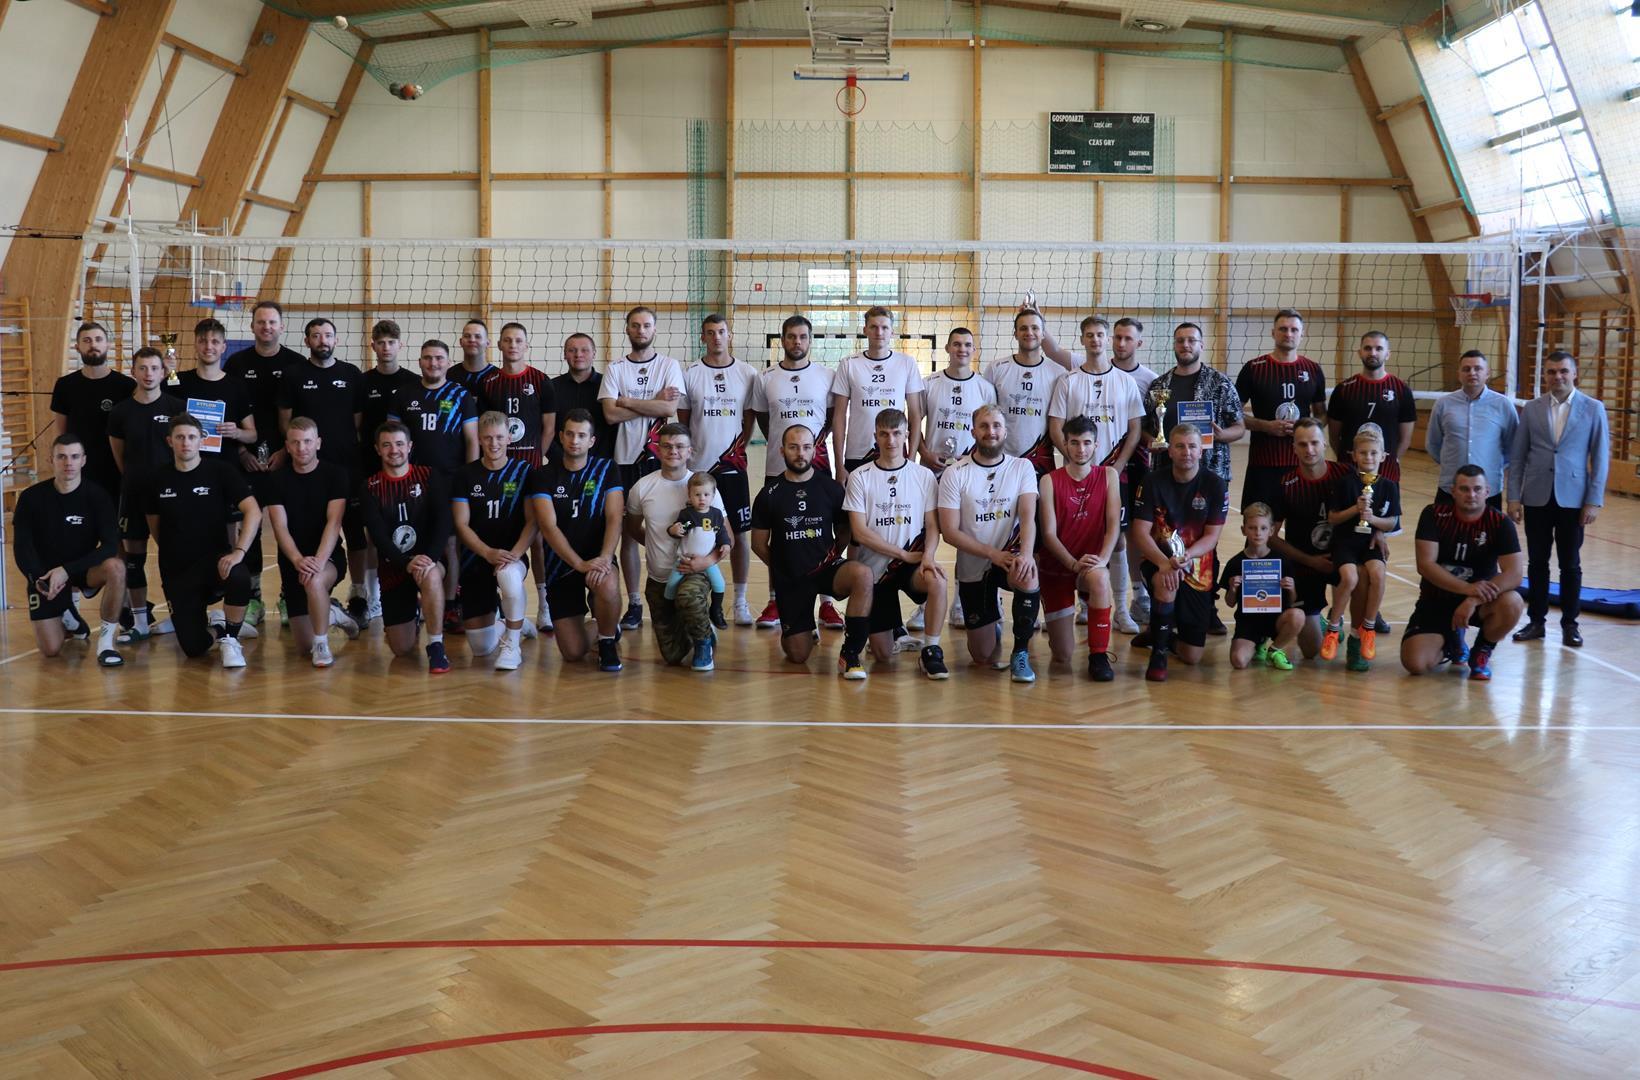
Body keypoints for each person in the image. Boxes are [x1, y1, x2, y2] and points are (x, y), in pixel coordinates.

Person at [1142, 323, 1242, 638]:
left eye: (1191, 340)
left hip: (1209, 475)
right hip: (1166, 476)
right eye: (1180, 340)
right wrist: (1152, 441)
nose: (1185, 345)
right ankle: (1162, 614)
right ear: (1174, 345)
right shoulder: (1160, 385)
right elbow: (1147, 427)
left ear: (1201, 344)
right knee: (1162, 541)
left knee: (1206, 541)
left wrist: (1220, 435)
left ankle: (1206, 608)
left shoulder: (1220, 383)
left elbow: (1239, 427)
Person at [750, 423, 875, 675]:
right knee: (798, 655)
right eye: (793, 447)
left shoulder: (831, 488)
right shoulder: (769, 494)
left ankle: (850, 652)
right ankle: (800, 626)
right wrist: (783, 567)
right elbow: (758, 544)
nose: (800, 453)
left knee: (863, 575)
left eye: (806, 447)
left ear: (814, 450)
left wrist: (833, 555)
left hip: (826, 569)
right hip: (792, 579)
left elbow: (844, 532)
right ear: (782, 450)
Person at [1508, 350, 1610, 648]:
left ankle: (1570, 625)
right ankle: (1536, 622)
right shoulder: (1532, 408)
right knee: (1537, 563)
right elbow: (1518, 457)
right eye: (1552, 371)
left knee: (1570, 564)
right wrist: (1513, 497)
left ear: (1574, 373)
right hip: (1536, 496)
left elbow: (1600, 458)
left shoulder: (1593, 408)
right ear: (1545, 375)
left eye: (1563, 371)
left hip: (1573, 500)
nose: (1558, 376)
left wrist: (1594, 500)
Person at [938, 404, 1043, 683]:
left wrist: (1026, 554)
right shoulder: (955, 473)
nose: (991, 432)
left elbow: (1028, 517)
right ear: (973, 432)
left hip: (1010, 558)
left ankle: (1020, 653)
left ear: (1005, 431)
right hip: (975, 564)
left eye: (996, 426)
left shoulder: (1022, 467)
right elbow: (949, 532)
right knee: (982, 656)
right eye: (984, 426)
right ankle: (992, 620)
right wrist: (992, 554)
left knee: (1028, 573)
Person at [145, 414, 259, 668]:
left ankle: (231, 638)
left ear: (202, 440)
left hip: (214, 563)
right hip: (177, 571)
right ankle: (220, 627)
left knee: (239, 574)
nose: (186, 442)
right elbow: (155, 526)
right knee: (194, 648)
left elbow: (253, 510)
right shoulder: (157, 478)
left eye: (191, 437)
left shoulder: (220, 471)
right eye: (180, 437)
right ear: (170, 441)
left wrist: (239, 551)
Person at [843, 408, 950, 678]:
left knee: (937, 580)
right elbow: (860, 532)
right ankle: (891, 631)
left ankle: (931, 651)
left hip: (913, 564)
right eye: (884, 434)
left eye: (896, 433)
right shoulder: (860, 476)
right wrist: (902, 554)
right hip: (876, 571)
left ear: (906, 435)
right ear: (875, 436)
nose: (890, 440)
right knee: (882, 655)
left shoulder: (923, 476)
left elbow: (933, 525)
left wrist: (928, 555)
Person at [749, 314, 840, 630]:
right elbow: (764, 418)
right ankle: (776, 599)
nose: (797, 342)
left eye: (802, 337)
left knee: (822, 530)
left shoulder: (826, 375)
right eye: (791, 336)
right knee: (780, 533)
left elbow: (832, 417)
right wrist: (785, 445)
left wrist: (809, 447)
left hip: (817, 467)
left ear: (810, 340)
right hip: (779, 467)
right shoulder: (766, 377)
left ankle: (826, 602)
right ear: (782, 340)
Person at [600, 305, 687, 631]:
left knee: (670, 530)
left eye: (646, 325)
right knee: (628, 535)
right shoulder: (615, 368)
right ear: (627, 329)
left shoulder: (669, 365)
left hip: (659, 460)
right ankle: (635, 603)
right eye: (635, 325)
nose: (641, 330)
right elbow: (610, 415)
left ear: (654, 329)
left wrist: (627, 400)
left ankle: (673, 596)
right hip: (623, 462)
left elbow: (669, 407)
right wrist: (652, 402)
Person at [1402, 465, 1525, 680]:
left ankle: (1482, 651)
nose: (1471, 495)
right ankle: (1452, 641)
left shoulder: (1500, 523)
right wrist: (1467, 588)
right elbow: (1426, 565)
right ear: (1453, 491)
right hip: (1436, 600)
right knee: (1416, 664)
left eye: (1477, 489)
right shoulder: (1433, 514)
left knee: (1513, 601)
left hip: (1480, 602)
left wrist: (1472, 599)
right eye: (1464, 489)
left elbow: (1514, 574)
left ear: (1487, 491)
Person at [13, 434, 126, 666]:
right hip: (46, 576)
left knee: (116, 567)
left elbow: (110, 546)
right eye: (62, 457)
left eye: (74, 457)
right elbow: (22, 547)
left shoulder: (98, 496)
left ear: (83, 460)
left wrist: (66, 570)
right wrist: (38, 579)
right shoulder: (31, 498)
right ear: (51, 460)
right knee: (51, 649)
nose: (68, 463)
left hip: (83, 569)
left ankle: (106, 644)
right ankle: (69, 614)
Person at [1129, 424, 1229, 682]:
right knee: (1167, 581)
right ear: (1170, 451)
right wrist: (1164, 563)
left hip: (1197, 565)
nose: (1187, 452)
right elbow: (1140, 533)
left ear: (1201, 450)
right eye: (1180, 446)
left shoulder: (1215, 484)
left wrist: (1187, 557)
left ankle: (1159, 634)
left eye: (1192, 446)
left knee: (1192, 655)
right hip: (1158, 560)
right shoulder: (1152, 481)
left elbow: (1212, 537)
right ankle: (1159, 654)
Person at [529, 409, 625, 672]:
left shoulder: (606, 469)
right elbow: (548, 527)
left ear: (591, 441)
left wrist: (605, 558)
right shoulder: (543, 475)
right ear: (560, 437)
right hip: (561, 565)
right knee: (573, 653)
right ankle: (602, 624)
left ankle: (607, 641)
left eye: (582, 435)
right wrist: (580, 564)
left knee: (607, 583)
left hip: (597, 557)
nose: (575, 440)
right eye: (570, 434)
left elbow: (614, 518)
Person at [677, 314, 758, 627]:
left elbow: (749, 418)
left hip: (733, 468)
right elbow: (684, 421)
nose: (716, 337)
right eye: (710, 333)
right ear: (703, 337)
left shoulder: (747, 373)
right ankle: (699, 600)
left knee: (740, 534)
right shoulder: (691, 373)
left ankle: (740, 601)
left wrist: (737, 450)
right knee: (697, 534)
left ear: (729, 335)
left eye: (721, 332)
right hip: (700, 470)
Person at [225, 300, 304, 621]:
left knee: (291, 526)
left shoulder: (296, 363)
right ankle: (254, 596)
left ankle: (289, 595)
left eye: (272, 322)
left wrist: (288, 451)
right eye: (261, 322)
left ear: (281, 326)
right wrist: (241, 452)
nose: (266, 327)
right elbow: (229, 411)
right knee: (251, 526)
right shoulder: (236, 363)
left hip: (287, 458)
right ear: (252, 326)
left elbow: (301, 416)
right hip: (246, 459)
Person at [627, 424, 726, 671]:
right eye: (667, 446)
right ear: (657, 449)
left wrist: (706, 561)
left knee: (688, 597)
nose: (673, 451)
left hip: (696, 572)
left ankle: (703, 642)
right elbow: (633, 528)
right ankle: (696, 625)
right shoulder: (642, 487)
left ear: (690, 451)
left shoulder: (704, 488)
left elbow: (728, 539)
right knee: (673, 655)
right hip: (659, 577)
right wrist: (655, 545)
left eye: (680, 446)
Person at [481, 322, 558, 633]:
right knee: (497, 533)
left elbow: (549, 427)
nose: (513, 345)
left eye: (518, 340)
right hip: (498, 472)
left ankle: (544, 604)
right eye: (507, 340)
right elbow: (486, 426)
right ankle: (503, 605)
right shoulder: (489, 382)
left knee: (538, 539)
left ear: (526, 345)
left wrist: (537, 460)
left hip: (531, 471)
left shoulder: (540, 381)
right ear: (499, 345)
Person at [262, 417, 357, 668]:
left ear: (318, 443)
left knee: (315, 582)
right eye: (295, 442)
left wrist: (318, 562)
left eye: (307, 441)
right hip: (293, 562)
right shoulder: (276, 480)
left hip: (327, 558)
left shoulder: (335, 475)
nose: (301, 448)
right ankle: (333, 613)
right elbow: (279, 527)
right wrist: (297, 560)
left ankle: (322, 644)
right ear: (287, 446)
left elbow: (334, 523)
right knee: (304, 646)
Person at [360, 421, 452, 672]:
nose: (394, 450)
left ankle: (435, 645)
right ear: (377, 449)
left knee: (430, 575)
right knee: (401, 649)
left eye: (399, 444)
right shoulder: (370, 487)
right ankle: (418, 610)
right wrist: (405, 562)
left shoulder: (429, 476)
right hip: (395, 566)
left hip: (428, 560)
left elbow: (444, 522)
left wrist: (430, 558)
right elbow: (378, 536)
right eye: (387, 445)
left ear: (410, 446)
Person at [1036, 416, 1121, 680]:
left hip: (1091, 564)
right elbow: (1048, 534)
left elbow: (1113, 525)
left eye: (1086, 443)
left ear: (1096, 445)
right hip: (1057, 567)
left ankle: (1098, 655)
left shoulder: (1109, 475)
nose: (1080, 449)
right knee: (1062, 654)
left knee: (1100, 578)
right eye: (1074, 443)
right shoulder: (1049, 480)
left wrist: (1102, 560)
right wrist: (1073, 563)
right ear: (1065, 444)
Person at [452, 412, 539, 671]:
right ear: (479, 439)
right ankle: (516, 622)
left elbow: (532, 522)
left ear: (509, 438)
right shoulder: (465, 475)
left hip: (512, 555)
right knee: (481, 649)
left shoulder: (523, 472)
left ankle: (513, 643)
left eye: (499, 437)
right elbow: (461, 524)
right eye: (488, 438)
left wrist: (514, 554)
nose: (494, 443)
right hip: (476, 559)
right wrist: (488, 552)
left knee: (508, 576)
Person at [106, 347, 182, 642]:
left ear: (164, 372)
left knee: (174, 555)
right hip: (135, 495)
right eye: (143, 368)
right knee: (134, 559)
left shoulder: (176, 407)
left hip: (170, 495)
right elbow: (119, 457)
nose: (149, 374)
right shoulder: (120, 412)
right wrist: (136, 480)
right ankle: (139, 622)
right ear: (133, 372)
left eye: (154, 368)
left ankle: (180, 614)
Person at [354, 319, 420, 625]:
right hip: (371, 467)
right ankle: (373, 596)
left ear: (400, 345)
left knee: (410, 529)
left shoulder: (412, 382)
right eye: (380, 343)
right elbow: (357, 425)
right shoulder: (363, 382)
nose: (386, 348)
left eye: (391, 342)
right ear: (373, 346)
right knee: (373, 534)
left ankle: (415, 593)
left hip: (405, 470)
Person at [1269, 417, 1351, 660]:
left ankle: (1355, 634)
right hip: (1304, 565)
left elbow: (1366, 515)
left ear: (1324, 443)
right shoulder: (1285, 484)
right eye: (1302, 444)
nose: (1309, 449)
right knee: (1311, 651)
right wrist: (1310, 561)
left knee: (1364, 573)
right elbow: (1271, 537)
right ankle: (1320, 622)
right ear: (1293, 447)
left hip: (1341, 559)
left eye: (1314, 442)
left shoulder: (1346, 475)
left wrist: (1378, 534)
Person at [1319, 425, 1400, 670]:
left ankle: (1368, 627)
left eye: (1374, 453)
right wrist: (1356, 509)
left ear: (1383, 456)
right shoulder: (1345, 483)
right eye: (1363, 453)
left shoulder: (1389, 486)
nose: (1369, 457)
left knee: (1378, 574)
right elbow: (1333, 518)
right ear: (1353, 455)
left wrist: (1372, 519)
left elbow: (1392, 522)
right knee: (1350, 577)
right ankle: (1333, 627)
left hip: (1370, 543)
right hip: (1346, 543)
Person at [1236, 309, 1327, 512]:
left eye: (1294, 329)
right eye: (1283, 329)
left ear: (1302, 333)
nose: (1288, 334)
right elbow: (1234, 413)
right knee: (1259, 521)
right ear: (1273, 332)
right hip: (1263, 461)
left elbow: (1321, 413)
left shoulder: (1313, 369)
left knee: (1303, 521)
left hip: (1303, 462)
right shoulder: (1254, 368)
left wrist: (1305, 431)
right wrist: (1266, 426)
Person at [831, 306, 927, 479]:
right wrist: (838, 465)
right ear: (865, 330)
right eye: (874, 327)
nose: (879, 332)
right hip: (857, 454)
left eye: (884, 327)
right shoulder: (849, 364)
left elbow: (915, 415)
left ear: (892, 332)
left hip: (896, 452)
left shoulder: (906, 363)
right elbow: (839, 416)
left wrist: (912, 459)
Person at [985, 305, 1076, 475]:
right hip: (1001, 461)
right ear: (1015, 334)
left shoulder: (1058, 373)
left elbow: (1060, 423)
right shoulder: (996, 368)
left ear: (1043, 334)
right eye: (1023, 328)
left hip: (1040, 461)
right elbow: (985, 416)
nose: (1029, 332)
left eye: (1035, 328)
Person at [51, 321, 135, 504]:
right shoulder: (65, 385)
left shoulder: (126, 386)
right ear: (77, 347)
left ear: (108, 345)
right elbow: (63, 434)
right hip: (80, 469)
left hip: (114, 467)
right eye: (87, 340)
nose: (93, 345)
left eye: (98, 339)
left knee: (112, 519)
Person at [1110, 316, 1157, 632]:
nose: (1122, 343)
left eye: (1128, 338)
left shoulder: (1151, 381)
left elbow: (1153, 426)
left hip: (1138, 465)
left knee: (1136, 532)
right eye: (1118, 337)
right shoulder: (1097, 370)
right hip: (1103, 463)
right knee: (1106, 532)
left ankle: (1140, 596)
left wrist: (1155, 440)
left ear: (1139, 343)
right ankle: (1090, 599)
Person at [1218, 502, 1305, 671]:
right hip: (1248, 621)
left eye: (1263, 528)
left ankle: (1274, 650)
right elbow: (1229, 603)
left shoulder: (1282, 561)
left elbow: (1292, 601)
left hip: (1275, 619)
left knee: (1298, 616)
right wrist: (1233, 589)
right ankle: (1258, 643)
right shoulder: (1235, 563)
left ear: (1271, 531)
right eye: (1252, 528)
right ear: (1243, 530)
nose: (1258, 533)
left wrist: (1291, 588)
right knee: (1238, 661)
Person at [1425, 350, 1516, 508]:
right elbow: (1433, 444)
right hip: (1450, 487)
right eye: (1466, 369)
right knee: (1444, 525)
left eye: (1478, 368)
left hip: (1488, 489)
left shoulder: (1503, 405)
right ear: (1459, 374)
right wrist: (1452, 463)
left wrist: (1491, 465)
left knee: (1489, 526)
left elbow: (1513, 447)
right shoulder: (1443, 404)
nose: (1472, 373)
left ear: (1487, 373)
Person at [1327, 331, 1415, 481]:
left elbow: (1405, 439)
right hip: (1349, 471)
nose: (1373, 353)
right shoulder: (1343, 389)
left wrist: (1391, 461)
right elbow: (1334, 437)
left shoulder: (1401, 390)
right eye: (1367, 348)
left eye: (1379, 348)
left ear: (1388, 354)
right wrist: (1348, 460)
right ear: (1359, 353)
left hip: (1387, 472)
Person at [919, 326, 997, 472]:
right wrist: (925, 453)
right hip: (932, 468)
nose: (962, 349)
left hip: (972, 468)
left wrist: (977, 456)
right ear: (947, 348)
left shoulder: (986, 388)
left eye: (967, 345)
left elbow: (992, 430)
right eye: (957, 344)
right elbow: (913, 423)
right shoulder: (928, 384)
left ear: (974, 350)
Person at [665, 472, 731, 622]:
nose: (702, 498)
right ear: (689, 496)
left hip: (708, 560)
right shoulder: (687, 515)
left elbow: (721, 532)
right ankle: (669, 610)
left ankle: (716, 609)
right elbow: (679, 530)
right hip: (684, 560)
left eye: (706, 495)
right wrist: (673, 530)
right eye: (697, 495)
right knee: (671, 585)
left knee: (719, 584)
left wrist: (726, 544)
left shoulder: (716, 514)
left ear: (713, 496)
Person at [548, 333, 616, 463]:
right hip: (561, 464)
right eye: (572, 350)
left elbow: (616, 430)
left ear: (594, 354)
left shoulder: (609, 385)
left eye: (584, 350)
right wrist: (561, 459)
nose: (578, 355)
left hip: (601, 463)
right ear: (564, 354)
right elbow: (544, 429)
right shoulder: (551, 387)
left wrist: (600, 461)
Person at [450, 318, 497, 393]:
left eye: (478, 336)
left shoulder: (498, 377)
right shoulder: (449, 375)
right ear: (461, 342)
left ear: (488, 343)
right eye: (467, 336)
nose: (472, 340)